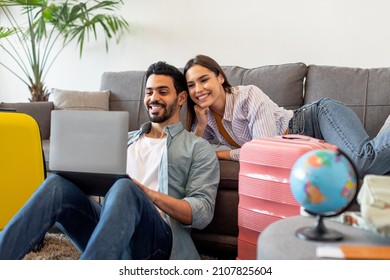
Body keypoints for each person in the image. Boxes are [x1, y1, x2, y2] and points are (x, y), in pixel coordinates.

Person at [0, 61, 220, 260]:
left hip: (156, 242)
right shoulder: (123, 139)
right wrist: (83, 182)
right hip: (110, 233)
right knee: (56, 184)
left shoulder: (197, 148)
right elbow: (101, 194)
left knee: (125, 186)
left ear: (181, 98)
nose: (154, 98)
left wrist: (148, 195)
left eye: (163, 92)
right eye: (149, 92)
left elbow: (202, 212)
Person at [183, 54, 390, 178]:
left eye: (204, 80)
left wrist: (221, 154)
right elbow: (191, 154)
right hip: (307, 144)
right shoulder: (207, 117)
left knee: (363, 162)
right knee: (374, 170)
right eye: (191, 85)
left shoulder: (248, 96)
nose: (198, 89)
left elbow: (263, 151)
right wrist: (200, 126)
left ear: (220, 77)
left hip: (318, 118)